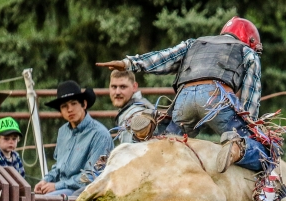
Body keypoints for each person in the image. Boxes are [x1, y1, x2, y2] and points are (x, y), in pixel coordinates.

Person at [98, 17, 269, 173]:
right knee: (264, 155)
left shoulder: (194, 44)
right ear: (251, 40)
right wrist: (249, 129)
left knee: (165, 145)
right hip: (217, 98)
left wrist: (129, 63)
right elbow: (250, 100)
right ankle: (236, 150)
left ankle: (151, 133)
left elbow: (163, 58)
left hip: (184, 100)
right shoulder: (248, 52)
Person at [36, 80, 113, 198]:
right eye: (64, 106)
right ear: (61, 111)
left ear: (84, 104)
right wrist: (45, 180)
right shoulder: (63, 132)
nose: (69, 109)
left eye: (74, 103)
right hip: (62, 190)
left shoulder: (100, 135)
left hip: (85, 193)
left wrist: (57, 186)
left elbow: (93, 175)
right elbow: (59, 166)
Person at [109, 70, 154, 144]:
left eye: (123, 87)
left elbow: (128, 153)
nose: (117, 92)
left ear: (134, 87)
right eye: (114, 87)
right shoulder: (143, 103)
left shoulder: (132, 114)